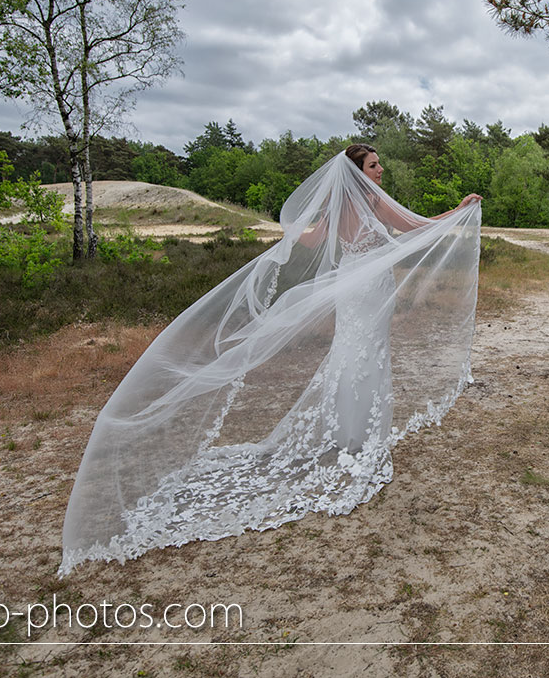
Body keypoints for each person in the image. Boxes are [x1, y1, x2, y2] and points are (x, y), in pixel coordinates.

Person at [59, 146, 482, 577]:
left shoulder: (339, 206)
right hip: (368, 285)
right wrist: (458, 210)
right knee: (364, 355)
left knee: (352, 354)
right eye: (375, 165)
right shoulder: (372, 202)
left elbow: (315, 240)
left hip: (353, 286)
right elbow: (416, 225)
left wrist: (290, 229)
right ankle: (360, 438)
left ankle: (349, 434)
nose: (381, 169)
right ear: (358, 172)